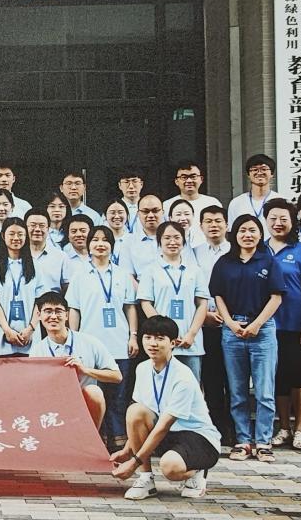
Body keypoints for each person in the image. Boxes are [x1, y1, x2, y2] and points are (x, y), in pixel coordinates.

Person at [111, 315, 220, 501]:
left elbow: (163, 425)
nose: (152, 343)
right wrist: (127, 450)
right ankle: (146, 479)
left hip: (198, 438)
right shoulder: (142, 368)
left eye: (160, 338)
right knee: (135, 410)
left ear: (173, 343)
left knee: (170, 468)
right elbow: (140, 417)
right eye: (148, 337)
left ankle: (197, 471)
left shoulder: (183, 376)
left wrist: (133, 463)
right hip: (168, 435)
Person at [209, 215, 285, 463]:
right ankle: (242, 441)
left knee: (264, 391)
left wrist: (256, 324)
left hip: (262, 331)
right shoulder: (224, 262)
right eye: (242, 230)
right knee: (237, 390)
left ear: (260, 235)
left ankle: (263, 442)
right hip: (232, 331)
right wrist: (230, 323)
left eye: (252, 230)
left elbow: (276, 297)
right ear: (235, 235)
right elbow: (218, 296)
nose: (247, 235)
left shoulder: (269, 261)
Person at [64, 225, 137, 448]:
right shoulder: (80, 275)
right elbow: (74, 309)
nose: (100, 244)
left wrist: (133, 336)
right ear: (89, 245)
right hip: (90, 344)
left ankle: (118, 438)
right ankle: (98, 438)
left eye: (105, 240)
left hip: (118, 342)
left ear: (112, 246)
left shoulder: (122, 275)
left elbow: (130, 307)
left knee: (118, 395)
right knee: (94, 394)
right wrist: (74, 339)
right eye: (95, 240)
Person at [264, 199, 301, 451]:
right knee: (278, 378)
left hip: (296, 326)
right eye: (273, 218)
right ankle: (284, 427)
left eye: (283, 218)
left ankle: (300, 429)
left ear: (292, 221)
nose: (278, 223)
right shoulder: (260, 249)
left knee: (299, 377)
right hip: (267, 327)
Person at [28, 292, 120, 430]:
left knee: (94, 391)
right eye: (48, 311)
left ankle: (93, 436)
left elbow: (117, 376)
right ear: (39, 315)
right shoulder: (37, 351)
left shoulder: (89, 342)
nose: (53, 316)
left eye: (58, 311)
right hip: (53, 403)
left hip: (84, 402)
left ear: (66, 315)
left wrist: (85, 370)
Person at [138, 222, 209, 381]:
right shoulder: (150, 270)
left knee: (191, 386)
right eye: (167, 238)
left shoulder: (195, 270)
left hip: (190, 343)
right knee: (162, 386)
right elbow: (146, 303)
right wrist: (164, 333)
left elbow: (202, 304)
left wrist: (191, 334)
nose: (172, 242)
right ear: (159, 241)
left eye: (177, 237)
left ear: (183, 241)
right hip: (161, 342)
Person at [192, 205, 233, 444]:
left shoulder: (235, 250)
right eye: (208, 221)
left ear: (226, 224)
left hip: (233, 323)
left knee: (234, 378)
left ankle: (235, 429)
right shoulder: (194, 252)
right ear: (201, 226)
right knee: (211, 377)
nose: (214, 225)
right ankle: (217, 428)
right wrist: (204, 314)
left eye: (218, 221)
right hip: (204, 322)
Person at [0, 218, 44, 357]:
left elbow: (40, 301)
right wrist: (7, 330)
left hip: (30, 334)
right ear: (3, 236)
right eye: (11, 234)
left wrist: (30, 329)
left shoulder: (36, 266)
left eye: (20, 234)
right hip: (3, 333)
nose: (16, 238)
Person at [162, 160, 222, 244]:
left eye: (193, 176)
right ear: (176, 181)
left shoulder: (212, 203)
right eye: (184, 177)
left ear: (201, 179)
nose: (189, 181)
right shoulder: (166, 205)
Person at [227, 154, 283, 237]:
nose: (259, 173)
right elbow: (232, 232)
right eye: (255, 169)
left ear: (272, 173)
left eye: (264, 169)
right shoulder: (236, 203)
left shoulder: (282, 201)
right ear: (248, 175)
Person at [24, 209, 64, 294]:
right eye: (33, 225)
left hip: (52, 301)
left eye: (42, 226)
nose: (37, 229)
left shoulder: (61, 257)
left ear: (48, 229)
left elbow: (67, 288)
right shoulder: (17, 255)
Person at [127, 194, 164, 280]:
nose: (150, 215)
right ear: (138, 214)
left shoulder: (175, 239)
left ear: (162, 212)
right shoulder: (128, 241)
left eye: (155, 211)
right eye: (145, 211)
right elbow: (128, 274)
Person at [59, 214, 94, 289]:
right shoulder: (61, 256)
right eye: (74, 231)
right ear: (68, 235)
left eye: (83, 231)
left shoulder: (99, 254)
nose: (78, 234)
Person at [103, 199, 132, 268]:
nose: (117, 216)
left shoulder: (134, 239)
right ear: (105, 216)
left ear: (127, 215)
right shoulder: (100, 240)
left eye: (120, 212)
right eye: (112, 213)